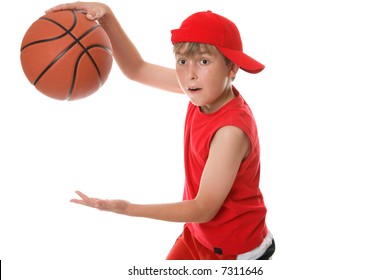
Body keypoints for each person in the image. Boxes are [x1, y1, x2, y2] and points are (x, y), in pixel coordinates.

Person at [46, 2, 275, 260]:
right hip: (197, 234)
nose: (189, 74)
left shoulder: (230, 131)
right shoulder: (202, 90)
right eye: (182, 60)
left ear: (231, 68)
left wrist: (128, 208)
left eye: (204, 61)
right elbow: (136, 69)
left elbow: (203, 208)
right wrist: (107, 16)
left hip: (236, 251)